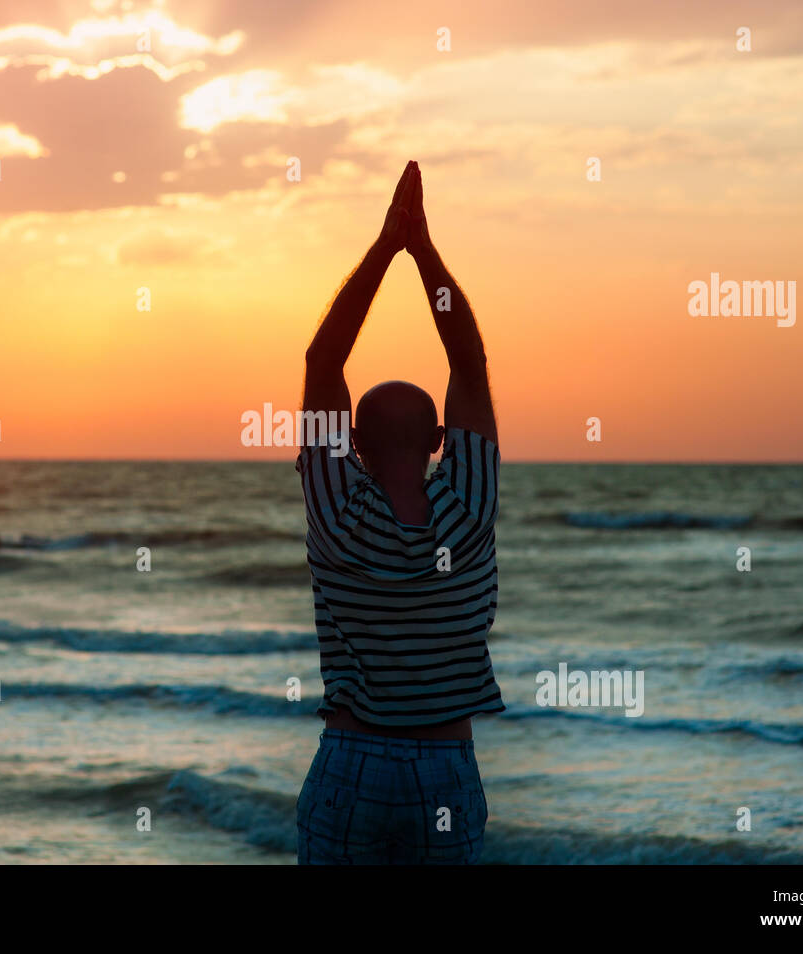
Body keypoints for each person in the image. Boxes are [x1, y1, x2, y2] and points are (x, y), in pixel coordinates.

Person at [295, 160, 505, 864]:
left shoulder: (335, 513)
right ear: (442, 443)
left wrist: (386, 247)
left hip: (350, 765)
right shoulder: (469, 507)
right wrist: (424, 251)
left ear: (352, 443)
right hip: (444, 766)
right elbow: (469, 364)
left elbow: (323, 362)